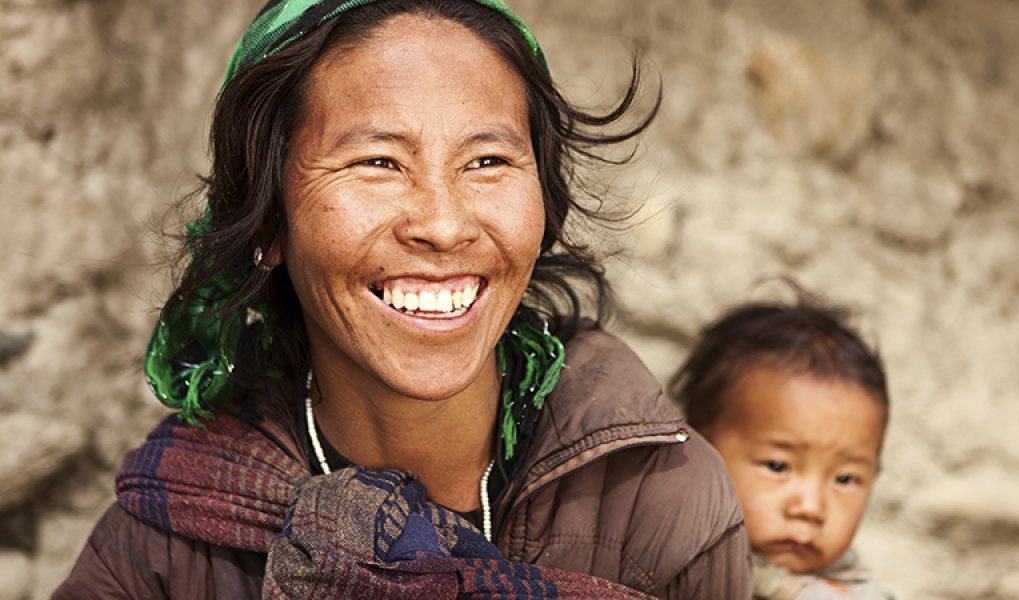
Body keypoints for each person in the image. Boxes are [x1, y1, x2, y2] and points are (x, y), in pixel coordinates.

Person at [54, 1, 750, 597]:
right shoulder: (172, 538)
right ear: (268, 220)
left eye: (488, 161)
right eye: (378, 162)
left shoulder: (657, 498)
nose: (444, 224)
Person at [671, 296, 893, 600]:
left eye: (845, 479)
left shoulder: (852, 589)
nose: (811, 508)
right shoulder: (665, 566)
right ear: (699, 450)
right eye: (778, 466)